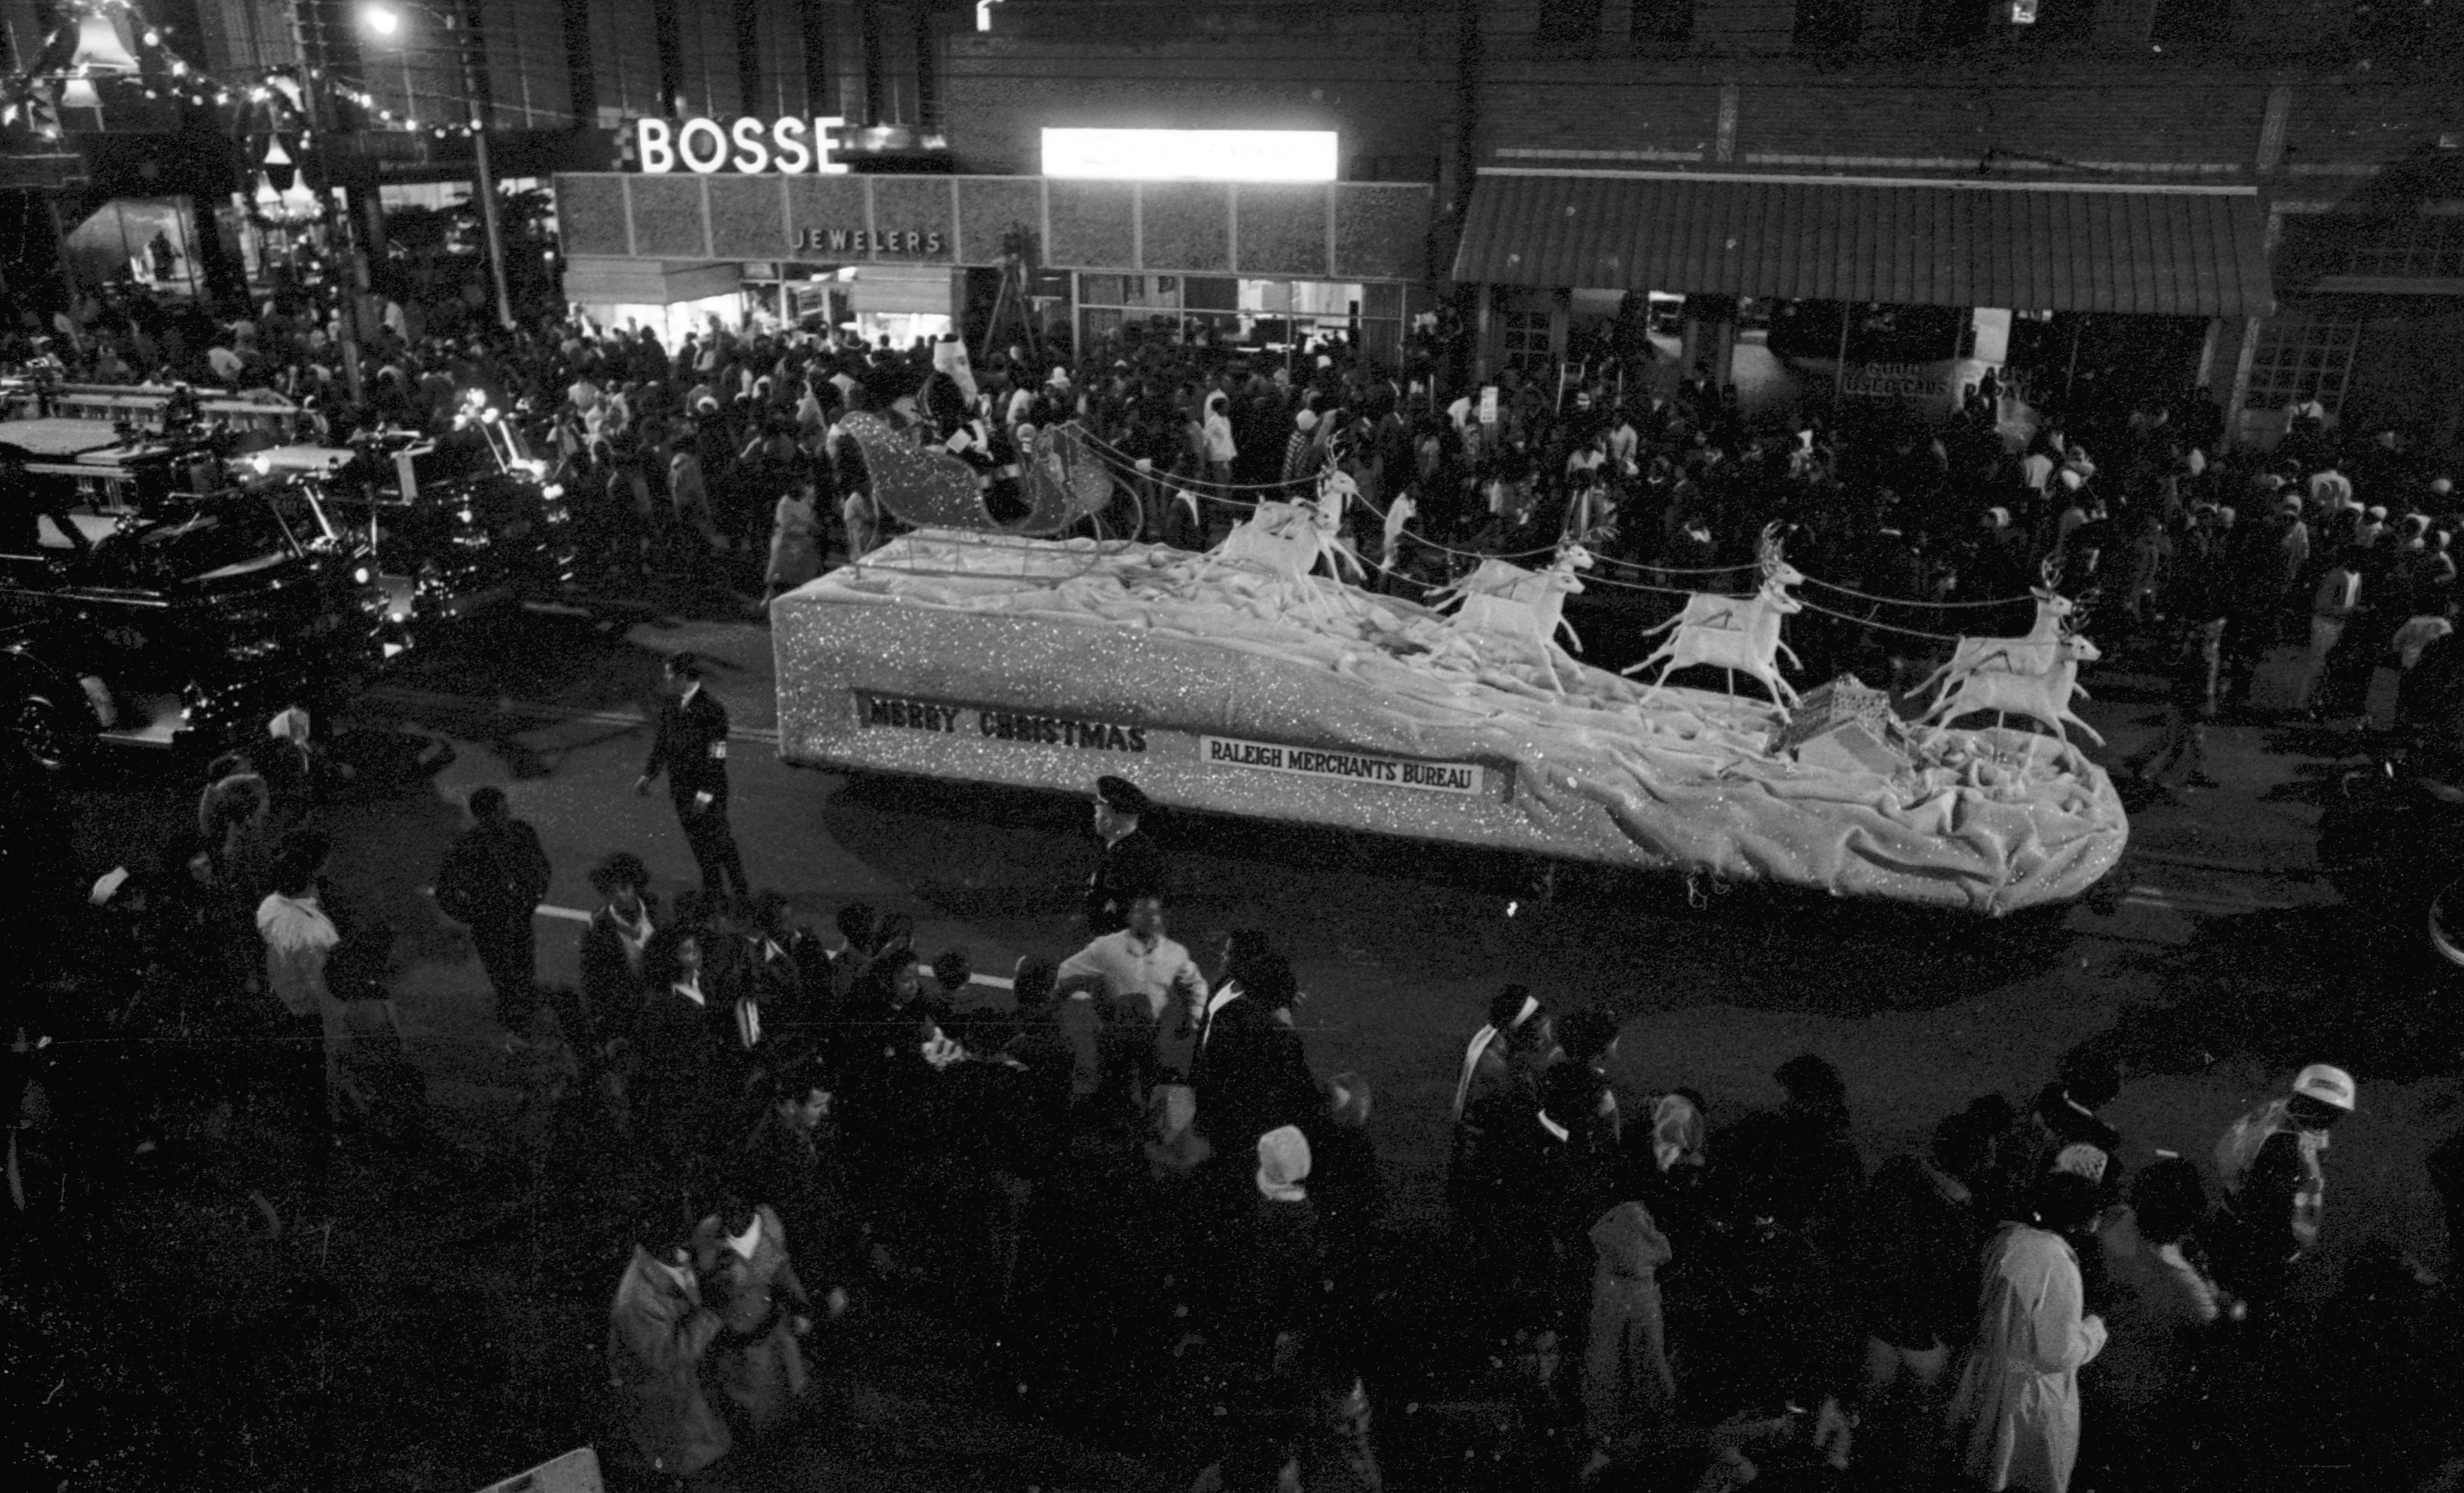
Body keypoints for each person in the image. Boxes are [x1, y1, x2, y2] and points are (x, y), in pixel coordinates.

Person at [1946, 1172, 2108, 1493]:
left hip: (1988, 1382)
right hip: (2030, 1402)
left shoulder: (2007, 1240)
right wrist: (2096, 1329)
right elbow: (2058, 1351)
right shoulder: (2055, 1261)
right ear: (2086, 1220)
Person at [2211, 1063, 2355, 1311]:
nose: (2335, 1122)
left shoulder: (2281, 1111)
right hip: (2256, 1246)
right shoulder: (2284, 1146)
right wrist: (2283, 1253)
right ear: (2318, 1108)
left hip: (2234, 1220)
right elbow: (2268, 1209)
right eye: (2333, 1113)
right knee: (2253, 1307)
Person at [608, 1212, 733, 1479]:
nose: (682, 1253)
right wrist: (713, 1312)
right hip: (681, 1421)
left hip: (706, 1401)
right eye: (671, 1245)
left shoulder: (679, 1255)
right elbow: (666, 1357)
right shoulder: (634, 1301)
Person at [1055, 890, 1206, 1100]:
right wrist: (1053, 1014)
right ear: (1130, 916)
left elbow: (1196, 985)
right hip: (1113, 1036)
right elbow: (1065, 975)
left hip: (1150, 1037)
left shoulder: (1175, 953)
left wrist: (1193, 1020)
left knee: (1147, 1091)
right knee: (1111, 1090)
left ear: (1160, 917)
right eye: (1140, 912)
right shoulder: (1106, 948)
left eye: (1153, 913)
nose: (1147, 917)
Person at [691, 1194, 818, 1440]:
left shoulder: (770, 1225)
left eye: (740, 1211)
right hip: (737, 1345)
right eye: (726, 1212)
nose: (733, 1220)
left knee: (787, 1398)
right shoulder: (708, 1237)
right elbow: (702, 1290)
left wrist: (801, 1309)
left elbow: (784, 1270)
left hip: (773, 1331)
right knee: (753, 1412)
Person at [432, 786, 551, 1029]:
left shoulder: (521, 833)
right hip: (489, 921)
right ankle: (516, 1019)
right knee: (503, 975)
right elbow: (446, 889)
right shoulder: (468, 846)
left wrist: (531, 899)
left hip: (517, 915)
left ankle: (524, 1015)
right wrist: (472, 915)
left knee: (523, 967)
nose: (506, 814)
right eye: (500, 810)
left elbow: (540, 868)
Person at [636, 653, 748, 900]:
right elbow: (662, 743)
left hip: (709, 790)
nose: (666, 679)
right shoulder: (671, 705)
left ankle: (741, 892)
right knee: (698, 842)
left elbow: (717, 755)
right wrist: (649, 775)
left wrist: (706, 792)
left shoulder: (712, 710)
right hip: (682, 788)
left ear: (684, 677)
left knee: (720, 841)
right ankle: (714, 889)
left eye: (670, 675)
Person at [1580, 1200, 1676, 1479]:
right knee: (1639, 1366)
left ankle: (1613, 1445)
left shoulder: (1607, 1267)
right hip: (1634, 1307)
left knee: (1612, 1370)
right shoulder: (1643, 1280)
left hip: (1610, 1409)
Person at [575, 850, 657, 1054]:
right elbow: (593, 985)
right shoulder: (597, 931)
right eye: (617, 883)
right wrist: (607, 1033)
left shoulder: (658, 912)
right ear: (608, 889)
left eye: (628, 882)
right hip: (631, 1015)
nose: (624, 889)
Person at [1083, 774, 1165, 935]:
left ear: (1109, 819)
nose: (1095, 817)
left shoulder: (1137, 856)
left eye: (1098, 812)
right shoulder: (1117, 846)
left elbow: (1123, 907)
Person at [764, 474, 823, 600]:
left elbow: (810, 521)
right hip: (786, 543)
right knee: (779, 578)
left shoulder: (804, 504)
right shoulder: (785, 502)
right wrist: (803, 528)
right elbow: (785, 525)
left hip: (803, 545)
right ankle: (768, 601)